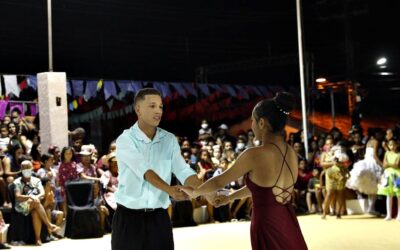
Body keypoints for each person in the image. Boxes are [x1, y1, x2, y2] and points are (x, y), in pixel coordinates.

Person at [182, 92, 307, 250]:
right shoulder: (291, 153)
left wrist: (195, 192)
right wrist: (230, 197)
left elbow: (219, 181)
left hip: (266, 222)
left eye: (252, 120)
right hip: (287, 221)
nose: (251, 124)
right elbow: (261, 188)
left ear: (261, 123)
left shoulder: (254, 154)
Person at [111, 88, 211, 250]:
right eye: (152, 106)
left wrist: (204, 190)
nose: (158, 111)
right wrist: (170, 190)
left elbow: (183, 170)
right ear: (138, 109)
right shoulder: (125, 140)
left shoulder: (169, 140)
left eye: (161, 106)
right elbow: (145, 172)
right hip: (129, 218)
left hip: (159, 218)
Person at [377, 139, 400, 220]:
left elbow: (397, 165)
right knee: (388, 195)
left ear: (397, 145)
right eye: (390, 145)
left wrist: (388, 164)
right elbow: (384, 165)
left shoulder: (398, 154)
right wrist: (390, 165)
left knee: (398, 195)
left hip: (397, 175)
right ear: (388, 145)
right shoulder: (386, 153)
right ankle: (389, 215)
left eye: (394, 145)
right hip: (388, 175)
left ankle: (399, 214)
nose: (392, 147)